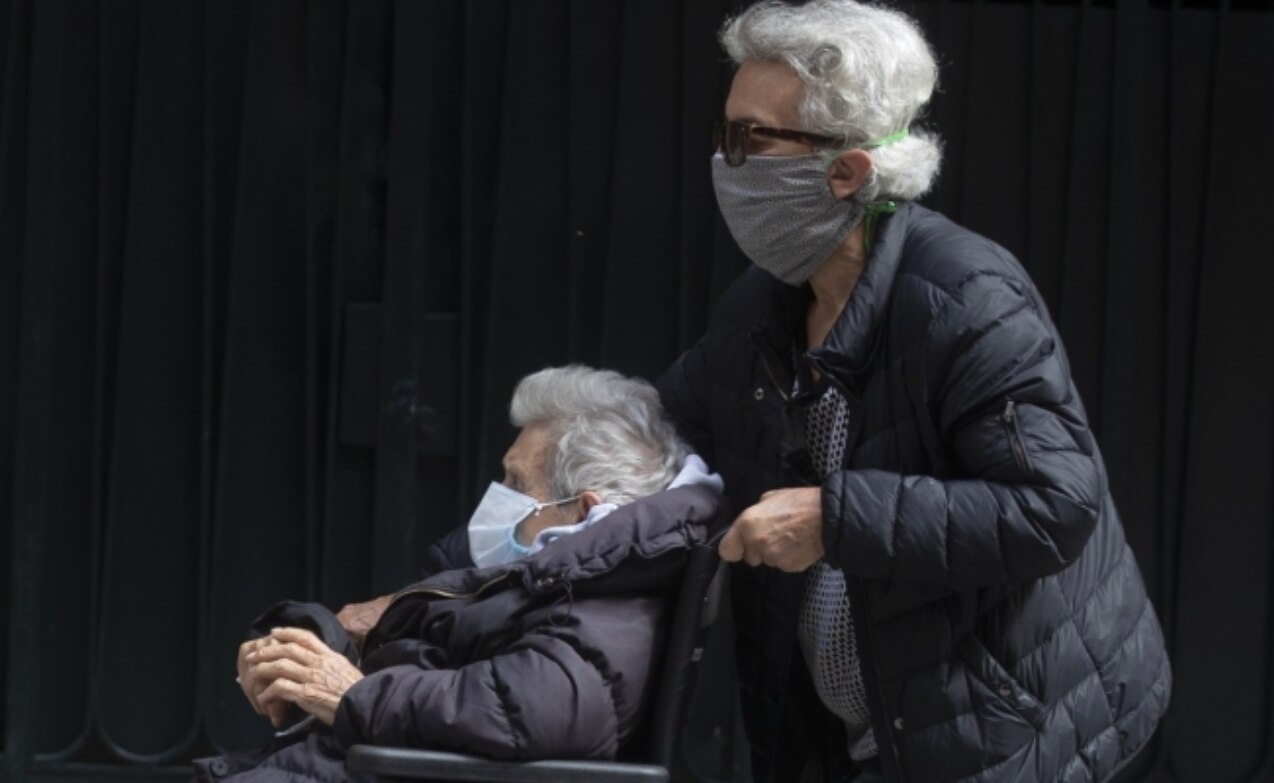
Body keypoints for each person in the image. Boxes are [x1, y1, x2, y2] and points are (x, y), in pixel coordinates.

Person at [657, 2, 1171, 782]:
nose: (723, 162)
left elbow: (1055, 505)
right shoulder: (762, 305)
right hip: (858, 733)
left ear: (847, 171)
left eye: (749, 139)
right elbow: (668, 428)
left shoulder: (966, 295)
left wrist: (835, 519)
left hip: (1007, 727)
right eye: (722, 133)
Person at [195, 365, 723, 782]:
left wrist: (353, 696)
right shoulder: (564, 574)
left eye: (516, 481)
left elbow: (526, 710)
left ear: (582, 510)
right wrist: (307, 650)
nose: (498, 496)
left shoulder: (611, 597)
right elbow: (438, 660)